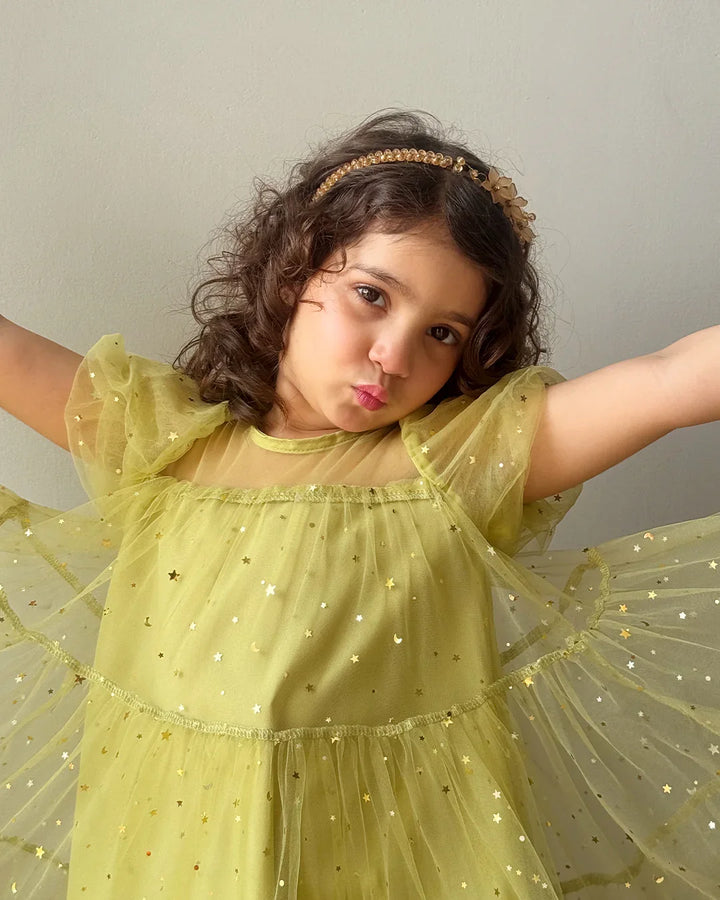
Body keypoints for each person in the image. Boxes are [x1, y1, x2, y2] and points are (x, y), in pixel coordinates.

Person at [1, 110, 718, 899]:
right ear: (293, 273)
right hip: (172, 855)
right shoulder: (165, 443)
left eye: (442, 333)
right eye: (371, 295)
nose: (394, 354)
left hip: (394, 860)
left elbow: (667, 381)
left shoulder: (454, 464)